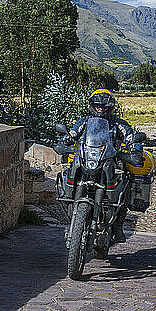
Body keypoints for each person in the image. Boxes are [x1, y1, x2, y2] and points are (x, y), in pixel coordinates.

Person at [58, 89, 142, 243]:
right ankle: (72, 218)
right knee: (69, 174)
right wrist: (64, 142)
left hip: (111, 161)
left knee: (125, 183)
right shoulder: (84, 122)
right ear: (92, 105)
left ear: (110, 107)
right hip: (87, 158)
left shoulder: (119, 124)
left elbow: (131, 138)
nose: (101, 108)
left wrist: (135, 151)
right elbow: (72, 133)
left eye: (104, 106)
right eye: (97, 105)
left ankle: (118, 225)